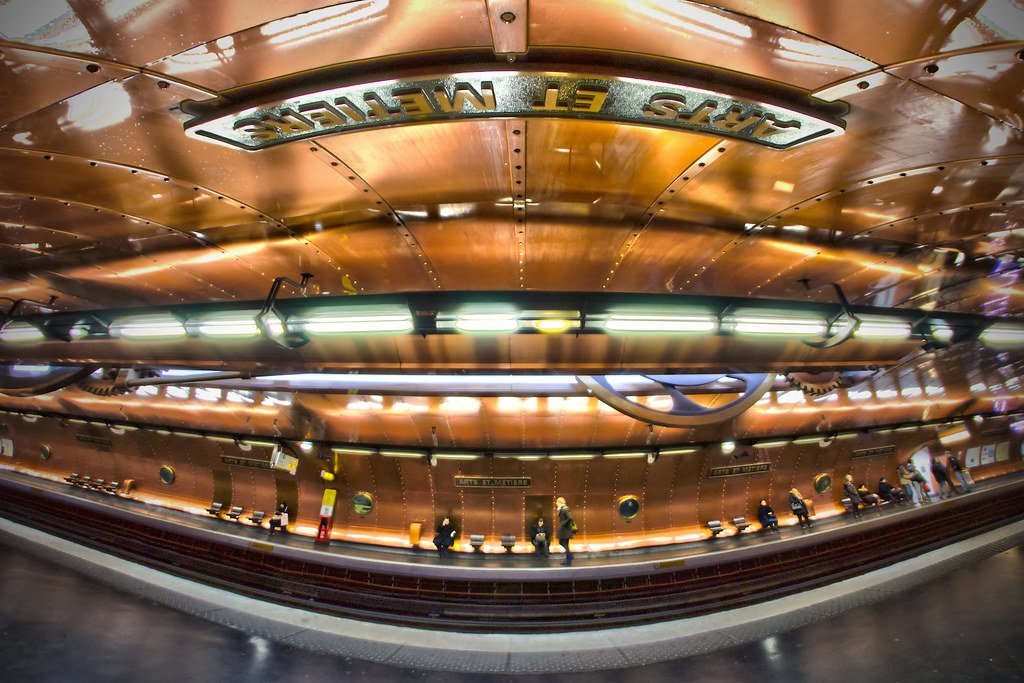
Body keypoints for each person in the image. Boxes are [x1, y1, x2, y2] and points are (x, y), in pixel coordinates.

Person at [556, 497, 576, 566]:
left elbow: (570, 518)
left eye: (557, 502)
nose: (556, 503)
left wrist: (562, 524)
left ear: (560, 502)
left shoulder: (565, 509)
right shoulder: (562, 509)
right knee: (565, 543)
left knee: (562, 542)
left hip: (565, 530)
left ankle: (570, 555)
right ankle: (568, 559)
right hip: (564, 530)